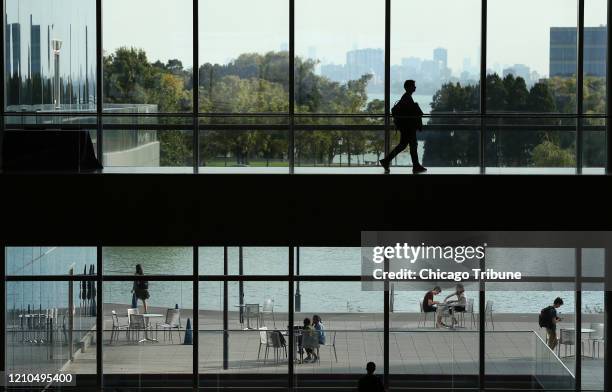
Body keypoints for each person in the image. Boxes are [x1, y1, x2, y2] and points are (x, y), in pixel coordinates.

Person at [379, 79, 427, 174]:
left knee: (404, 145)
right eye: (413, 85)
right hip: (408, 127)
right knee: (412, 145)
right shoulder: (407, 98)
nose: (415, 87)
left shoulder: (406, 97)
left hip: (406, 127)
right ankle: (415, 165)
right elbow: (411, 113)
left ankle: (387, 161)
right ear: (408, 87)